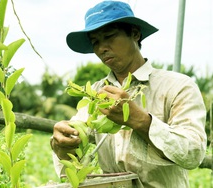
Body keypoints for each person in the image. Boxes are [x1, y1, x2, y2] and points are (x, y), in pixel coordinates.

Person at [50, 1, 207, 187]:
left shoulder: (177, 86)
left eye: (109, 36)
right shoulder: (96, 94)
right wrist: (62, 144)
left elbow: (194, 152)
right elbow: (74, 147)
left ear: (135, 33)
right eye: (95, 42)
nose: (101, 48)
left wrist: (140, 120)